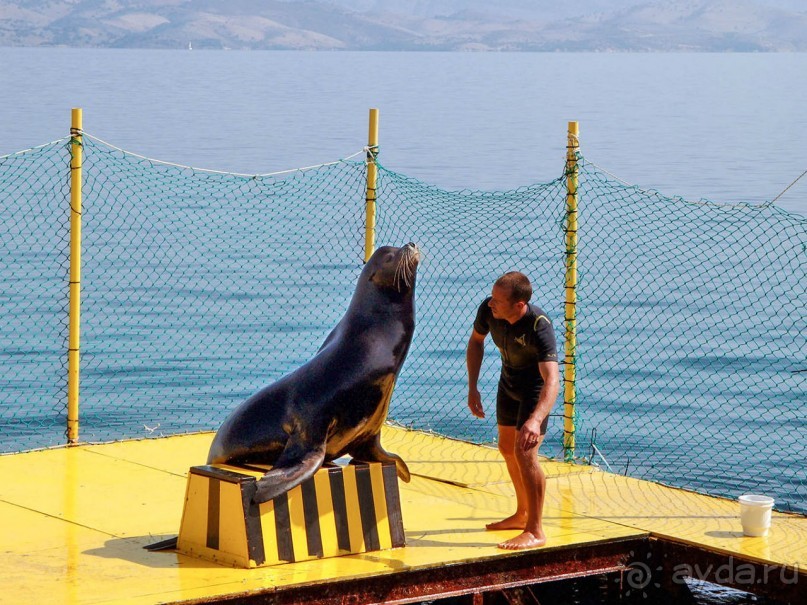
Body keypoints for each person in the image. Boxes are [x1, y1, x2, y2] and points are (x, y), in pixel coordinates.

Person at [466, 271, 559, 550]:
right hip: (508, 384)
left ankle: (535, 530)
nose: (491, 303)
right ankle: (522, 514)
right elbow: (476, 342)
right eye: (492, 297)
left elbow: (552, 379)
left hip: (534, 390)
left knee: (525, 453)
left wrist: (536, 418)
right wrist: (473, 387)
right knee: (507, 448)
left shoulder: (538, 325)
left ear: (519, 305)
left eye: (498, 300)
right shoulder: (488, 310)